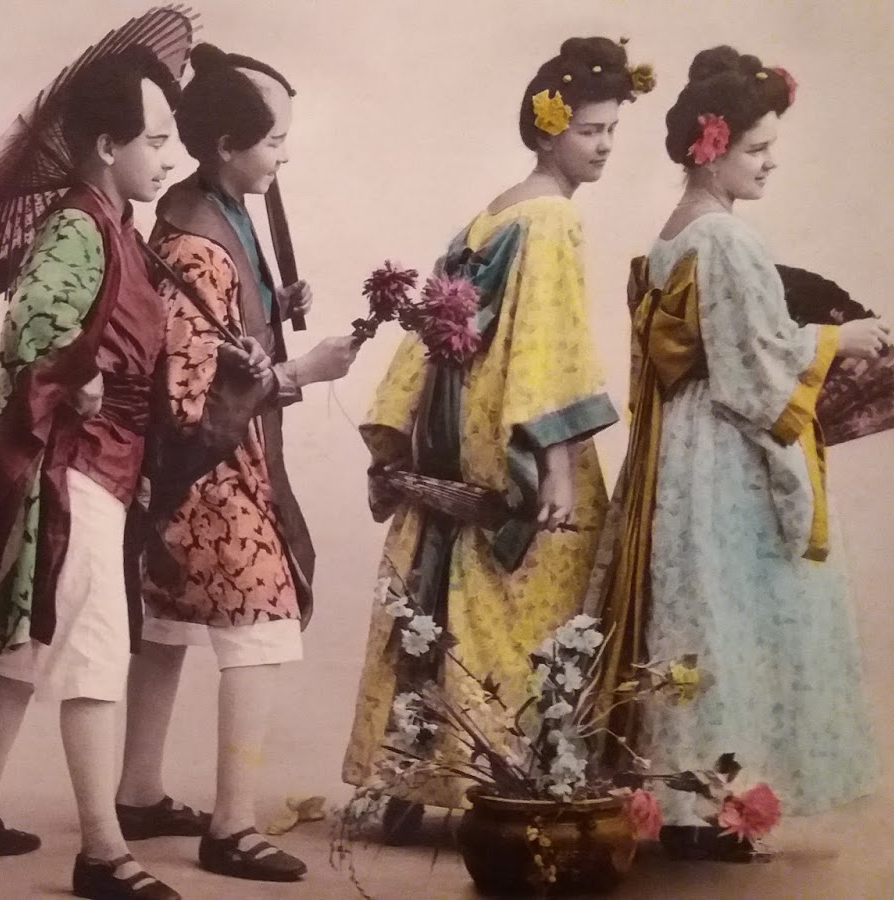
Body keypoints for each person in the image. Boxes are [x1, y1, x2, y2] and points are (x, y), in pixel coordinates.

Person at [341, 37, 650, 840]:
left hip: (461, 421)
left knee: (449, 585)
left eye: (611, 130)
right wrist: (556, 461)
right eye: (590, 130)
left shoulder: (494, 211)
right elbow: (547, 338)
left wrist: (407, 432)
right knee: (535, 593)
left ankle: (414, 775)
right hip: (514, 427)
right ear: (549, 129)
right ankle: (515, 774)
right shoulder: (551, 218)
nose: (604, 146)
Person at [583, 46, 883, 848]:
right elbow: (755, 366)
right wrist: (838, 340)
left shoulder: (674, 234)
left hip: (680, 446)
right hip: (725, 449)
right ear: (709, 148)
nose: (768, 163)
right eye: (756, 150)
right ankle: (708, 808)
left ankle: (692, 803)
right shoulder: (726, 239)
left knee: (700, 614)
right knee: (733, 615)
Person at [113, 43, 360, 883]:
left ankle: (139, 792)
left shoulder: (207, 208)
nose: (284, 155)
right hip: (205, 473)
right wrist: (300, 370)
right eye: (275, 140)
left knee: (168, 627)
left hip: (203, 465)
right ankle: (232, 826)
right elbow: (187, 395)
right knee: (259, 622)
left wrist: (269, 306)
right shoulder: (197, 242)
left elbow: (219, 331)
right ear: (226, 145)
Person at [0, 46, 184, 900]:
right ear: (107, 147)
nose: (170, 157)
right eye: (156, 140)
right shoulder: (80, 226)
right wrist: (76, 373)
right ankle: (102, 852)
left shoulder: (113, 224)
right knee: (93, 651)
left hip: (103, 463)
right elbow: (34, 331)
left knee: (27, 645)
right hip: (74, 468)